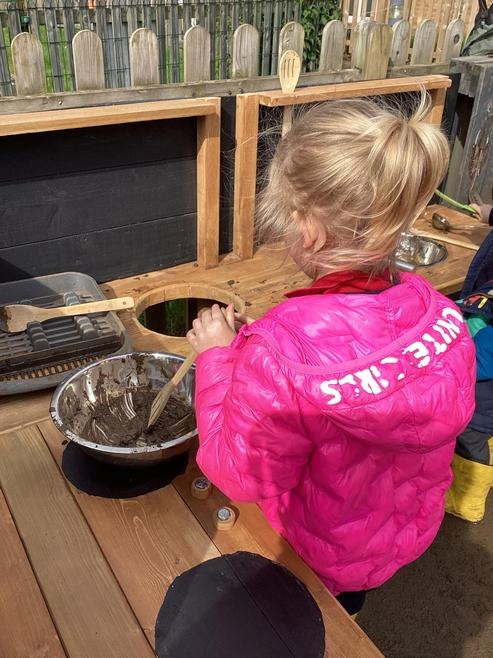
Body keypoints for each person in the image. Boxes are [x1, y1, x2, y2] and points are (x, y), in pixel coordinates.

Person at [186, 95, 476, 617]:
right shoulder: (441, 314)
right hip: (397, 534)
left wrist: (218, 357)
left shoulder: (280, 354)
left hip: (317, 551)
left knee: (314, 621)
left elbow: (237, 473)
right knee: (353, 603)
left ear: (309, 229)